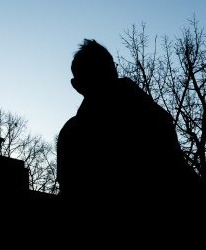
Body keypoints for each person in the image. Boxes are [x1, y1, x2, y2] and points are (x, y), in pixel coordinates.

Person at [57, 39, 193, 200]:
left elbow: (70, 191)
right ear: (113, 71)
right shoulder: (152, 115)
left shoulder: (71, 133)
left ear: (77, 85)